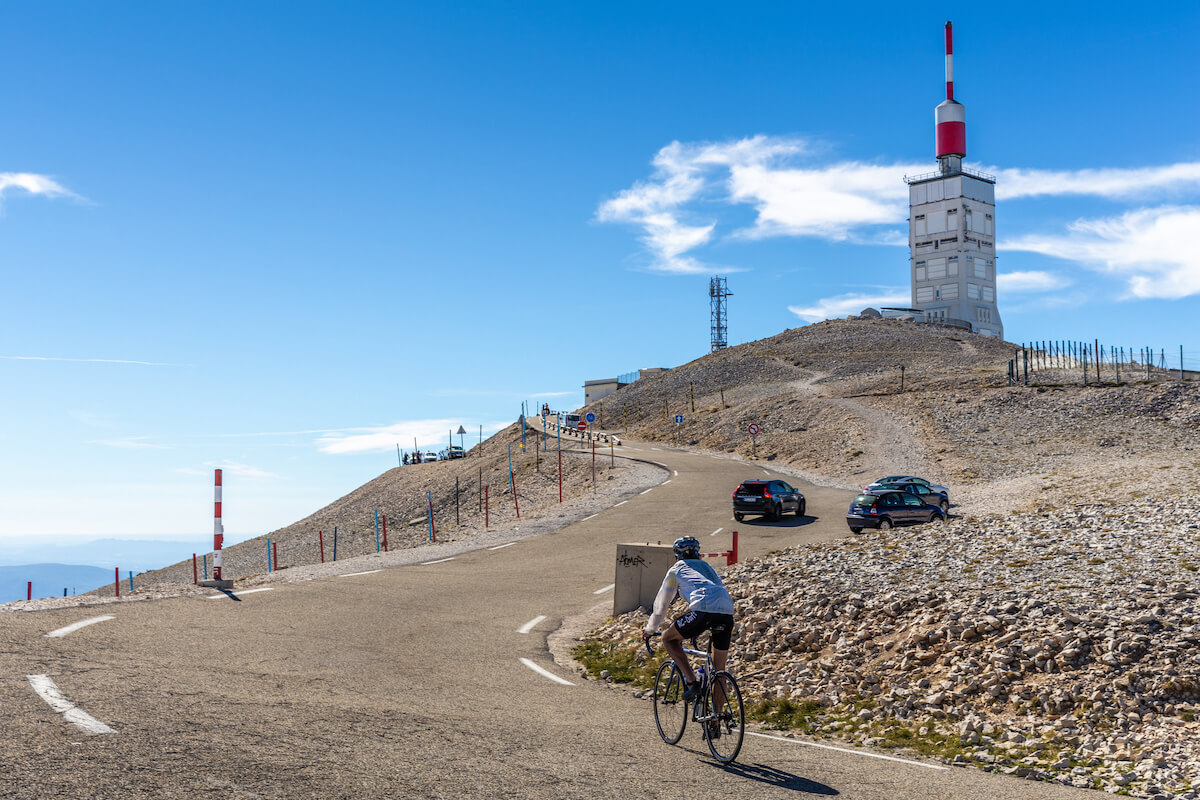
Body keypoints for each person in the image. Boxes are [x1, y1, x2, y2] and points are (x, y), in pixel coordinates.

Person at [643, 536, 736, 716]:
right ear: (698, 553)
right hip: (726, 610)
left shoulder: (676, 569)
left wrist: (650, 629)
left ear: (677, 555)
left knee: (668, 638)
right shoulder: (708, 568)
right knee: (719, 668)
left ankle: (692, 683)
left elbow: (661, 606)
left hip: (702, 610)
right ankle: (716, 718)